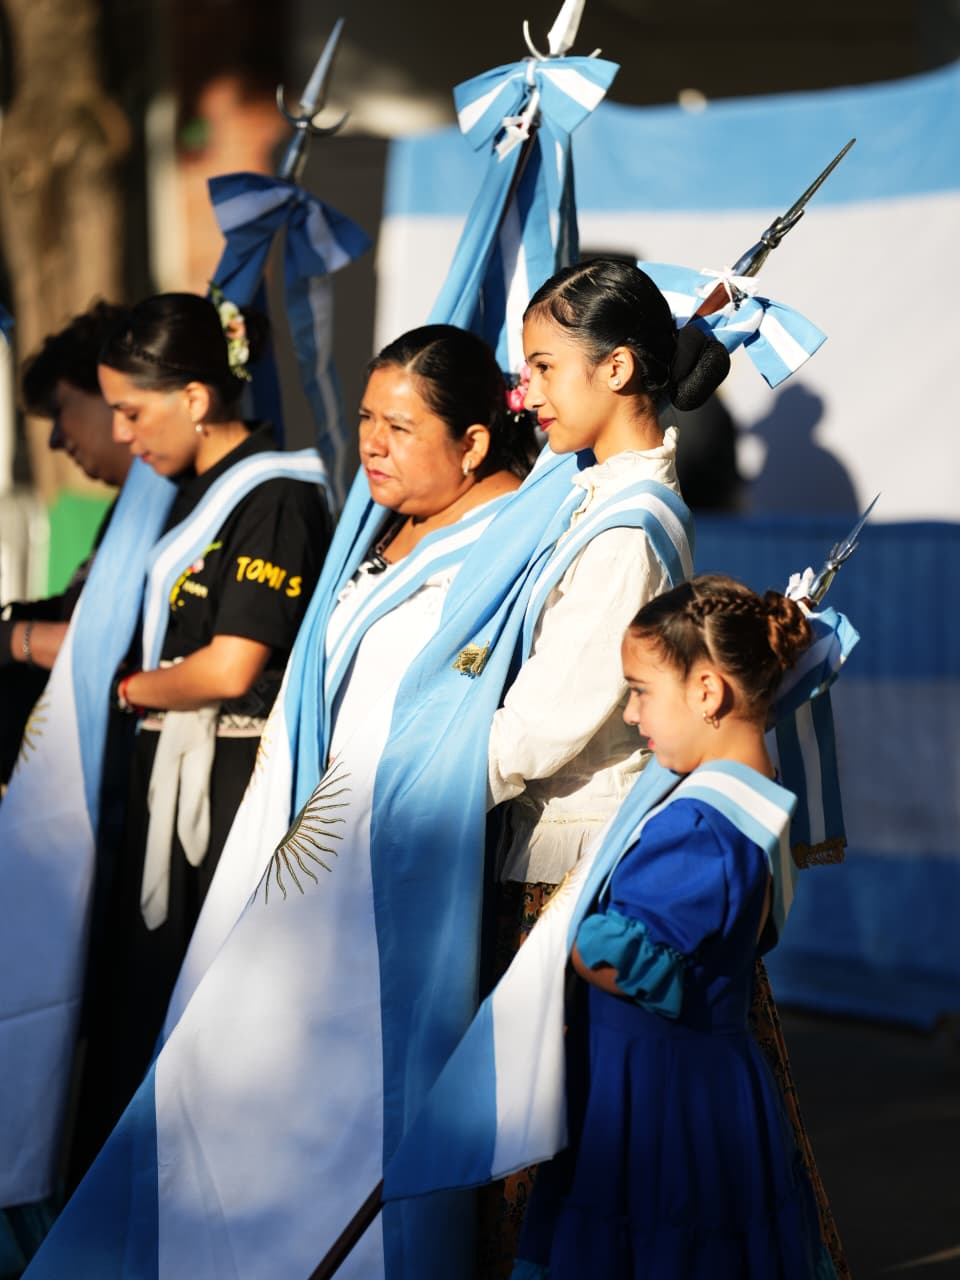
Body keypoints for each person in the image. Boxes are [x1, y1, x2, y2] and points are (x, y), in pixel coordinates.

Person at [71, 290, 332, 1178]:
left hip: (223, 790)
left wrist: (125, 688)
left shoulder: (278, 492)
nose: (123, 432)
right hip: (168, 777)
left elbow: (229, 665)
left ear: (194, 396)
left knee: (195, 1011)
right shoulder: (190, 490)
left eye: (132, 411)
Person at [511, 574, 836, 1280]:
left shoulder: (701, 826)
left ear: (708, 692)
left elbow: (612, 958)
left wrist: (564, 930)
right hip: (700, 1090)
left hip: (661, 1105)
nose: (632, 714)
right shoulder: (749, 798)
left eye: (640, 691)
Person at [0, 301, 131, 782]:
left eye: (61, 411)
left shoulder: (176, 509)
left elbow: (111, 647)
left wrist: (16, 639)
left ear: (111, 392)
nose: (55, 439)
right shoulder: (128, 507)